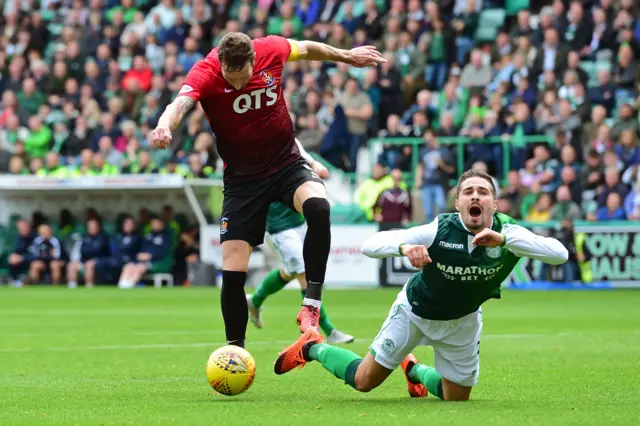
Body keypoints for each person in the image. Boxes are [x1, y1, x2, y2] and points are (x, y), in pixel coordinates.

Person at [150, 32, 384, 347]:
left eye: (242, 78)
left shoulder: (271, 49)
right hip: (243, 182)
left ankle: (311, 305)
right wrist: (165, 125)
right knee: (233, 273)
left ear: (253, 61)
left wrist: (347, 55)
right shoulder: (206, 72)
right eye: (230, 80)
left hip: (286, 164)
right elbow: (180, 104)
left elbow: (309, 48)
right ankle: (235, 351)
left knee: (319, 207)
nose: (235, 86)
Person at [273, 170, 568, 401]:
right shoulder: (439, 228)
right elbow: (370, 245)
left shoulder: (510, 233)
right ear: (458, 203)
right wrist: (404, 248)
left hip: (462, 322)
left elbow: (560, 254)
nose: (475, 196)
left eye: (483, 192)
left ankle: (413, 369)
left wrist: (503, 240)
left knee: (457, 397)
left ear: (494, 203)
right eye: (468, 192)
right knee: (364, 382)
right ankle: (312, 347)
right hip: (414, 313)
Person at [247, 201, 354, 344]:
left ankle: (255, 300)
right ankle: (329, 331)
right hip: (280, 228)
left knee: (291, 272)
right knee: (306, 274)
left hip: (300, 223)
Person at [117, 216, 172, 289]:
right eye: (153, 223)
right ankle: (121, 286)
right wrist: (139, 255)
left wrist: (151, 256)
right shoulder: (148, 235)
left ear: (162, 224)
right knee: (128, 266)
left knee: (140, 268)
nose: (154, 225)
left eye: (156, 223)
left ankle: (129, 287)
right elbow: (141, 249)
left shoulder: (166, 236)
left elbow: (165, 251)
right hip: (142, 260)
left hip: (157, 262)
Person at [66, 218, 111, 288]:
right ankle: (72, 286)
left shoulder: (103, 237)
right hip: (84, 261)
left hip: (99, 261)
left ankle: (89, 286)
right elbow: (82, 250)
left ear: (98, 227)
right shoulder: (84, 237)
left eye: (94, 226)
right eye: (90, 226)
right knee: (71, 265)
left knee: (89, 265)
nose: (92, 228)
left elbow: (98, 251)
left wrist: (90, 252)